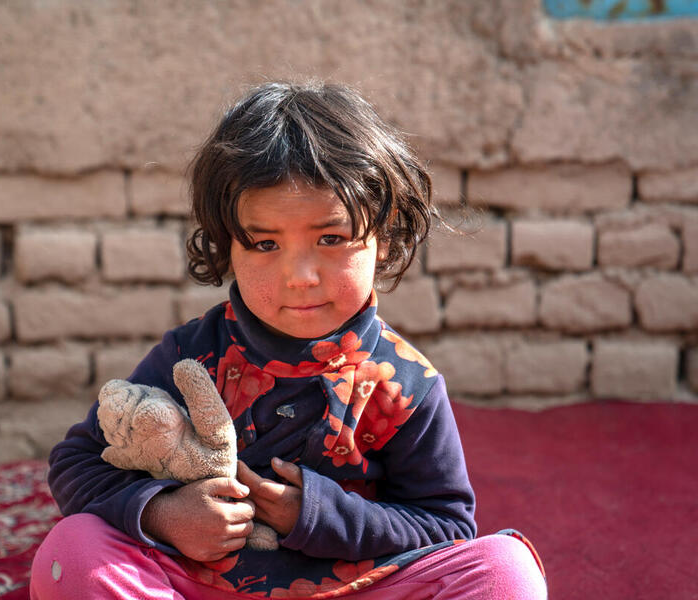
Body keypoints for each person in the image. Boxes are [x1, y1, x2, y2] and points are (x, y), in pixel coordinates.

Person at [30, 81, 546, 599]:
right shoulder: (193, 354)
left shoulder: (406, 384)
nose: (299, 276)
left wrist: (318, 515)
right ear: (226, 244)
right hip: (195, 585)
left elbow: (444, 526)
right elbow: (78, 463)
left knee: (505, 571)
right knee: (74, 549)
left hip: (362, 586)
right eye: (264, 243)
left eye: (331, 239)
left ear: (383, 237)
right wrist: (163, 515)